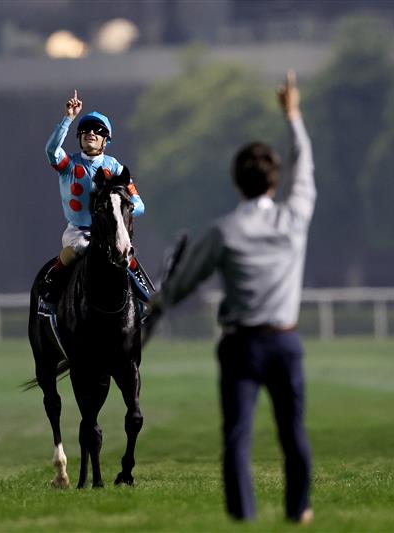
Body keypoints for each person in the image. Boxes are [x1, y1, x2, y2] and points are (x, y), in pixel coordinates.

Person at [149, 70, 315, 524]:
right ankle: (298, 509)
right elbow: (306, 171)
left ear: (236, 182)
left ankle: (243, 516)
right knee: (293, 434)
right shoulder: (293, 220)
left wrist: (156, 305)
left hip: (241, 345)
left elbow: (185, 280)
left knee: (237, 438)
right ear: (273, 182)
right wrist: (293, 116)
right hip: (284, 341)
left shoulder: (224, 231)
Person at [40, 90, 150, 313]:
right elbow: (51, 150)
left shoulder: (116, 167)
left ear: (106, 140)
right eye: (85, 129)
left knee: (125, 251)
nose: (91, 132)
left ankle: (144, 294)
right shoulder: (68, 164)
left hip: (110, 232)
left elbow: (139, 204)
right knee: (79, 248)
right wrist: (68, 119)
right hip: (78, 232)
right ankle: (50, 290)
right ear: (79, 136)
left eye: (98, 130)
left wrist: (124, 209)